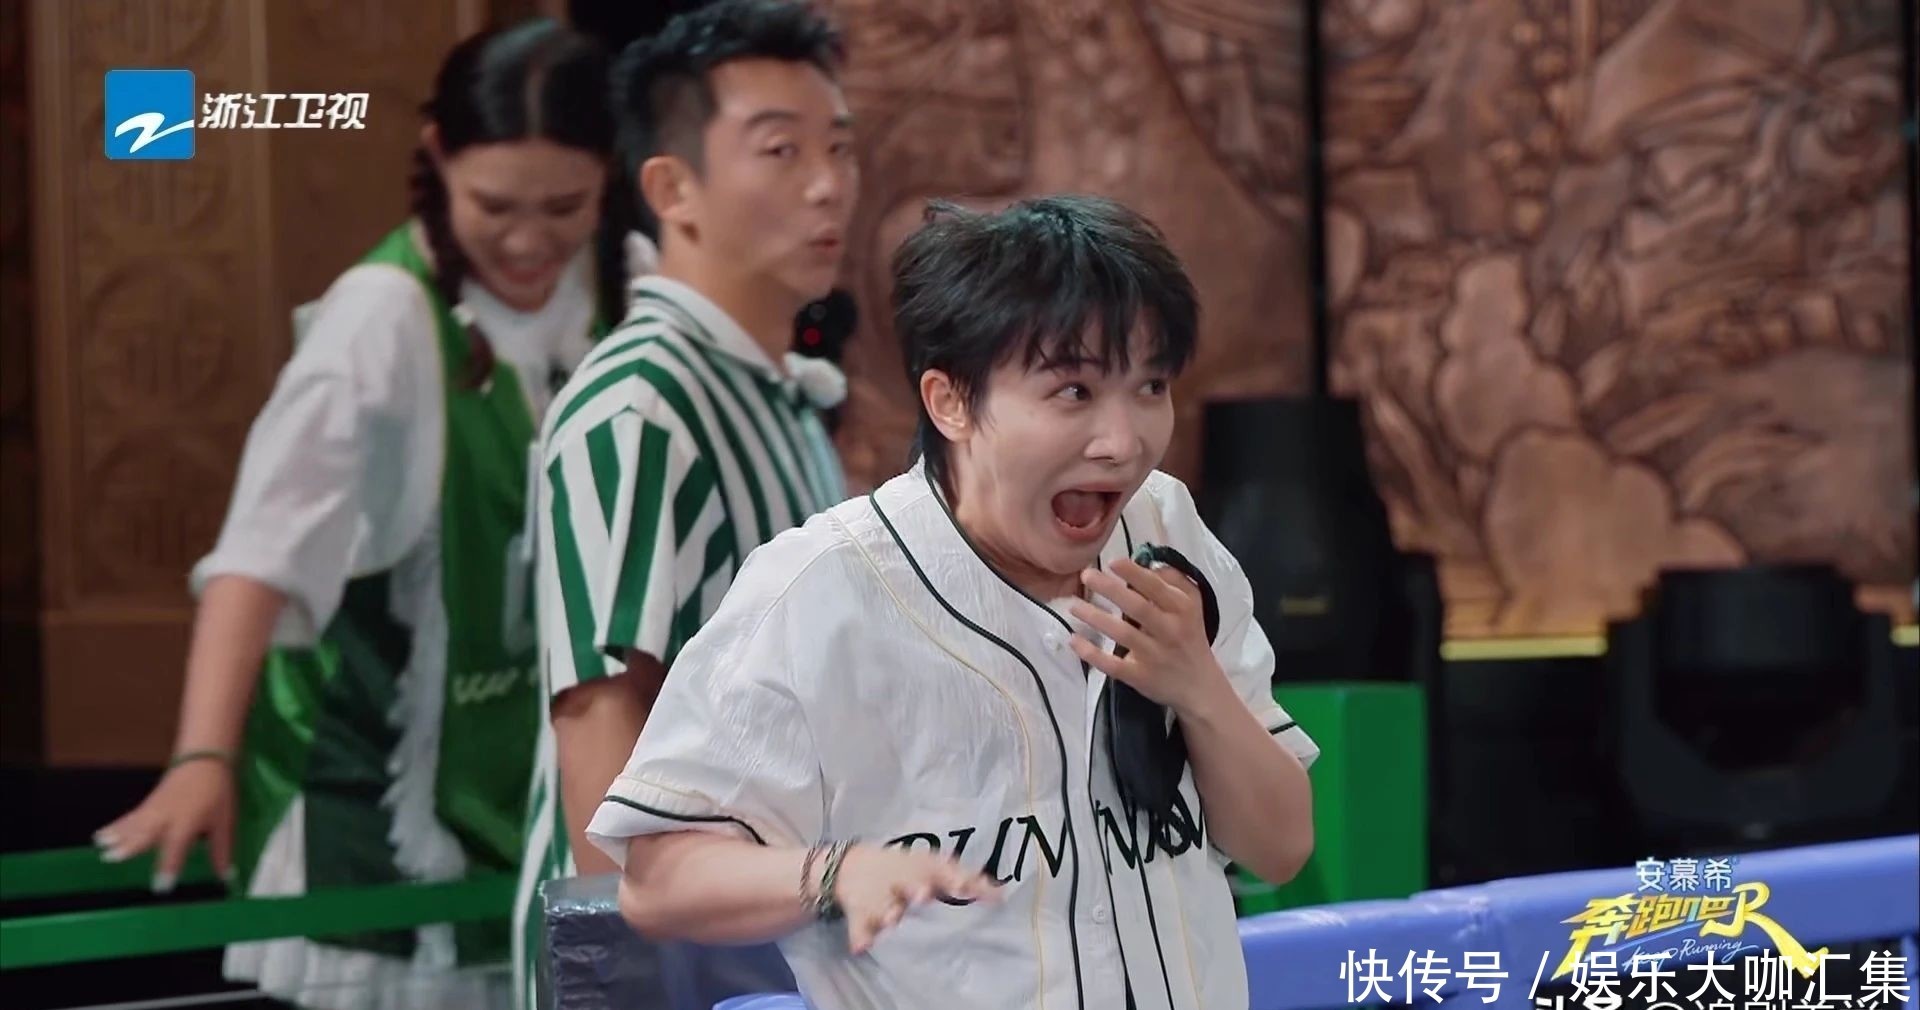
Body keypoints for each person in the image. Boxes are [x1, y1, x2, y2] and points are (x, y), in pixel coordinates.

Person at [584, 195, 1321, 1010]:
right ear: (951, 401)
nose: (1123, 441)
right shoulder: (818, 591)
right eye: (1073, 392)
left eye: (1150, 385)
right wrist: (834, 874)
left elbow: (1281, 846)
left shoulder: (1165, 530)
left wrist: (1198, 688)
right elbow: (656, 882)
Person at [93, 19, 631, 1010]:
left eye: (565, 206)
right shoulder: (381, 317)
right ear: (437, 156)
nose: (529, 241)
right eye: (494, 205)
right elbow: (261, 554)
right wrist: (202, 755)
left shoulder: (617, 291)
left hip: (531, 803)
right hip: (377, 822)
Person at [509, 2, 857, 1005]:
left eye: (839, 147)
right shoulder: (640, 404)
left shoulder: (776, 394)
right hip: (671, 976)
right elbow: (602, 746)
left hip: (771, 953)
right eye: (781, 151)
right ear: (672, 188)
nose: (827, 183)